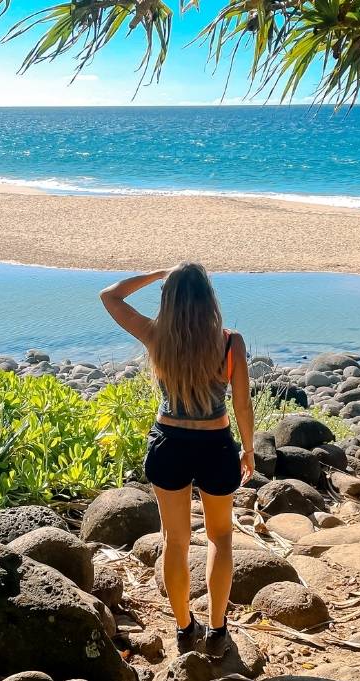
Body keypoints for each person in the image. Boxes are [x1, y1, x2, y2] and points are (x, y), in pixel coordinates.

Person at [100, 263, 255, 657]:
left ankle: (185, 627)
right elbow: (242, 404)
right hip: (216, 446)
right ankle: (218, 630)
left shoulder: (156, 336)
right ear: (209, 299)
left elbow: (110, 295)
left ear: (168, 299)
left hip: (169, 443)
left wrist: (155, 275)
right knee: (221, 539)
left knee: (176, 540)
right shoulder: (229, 342)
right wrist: (248, 449)